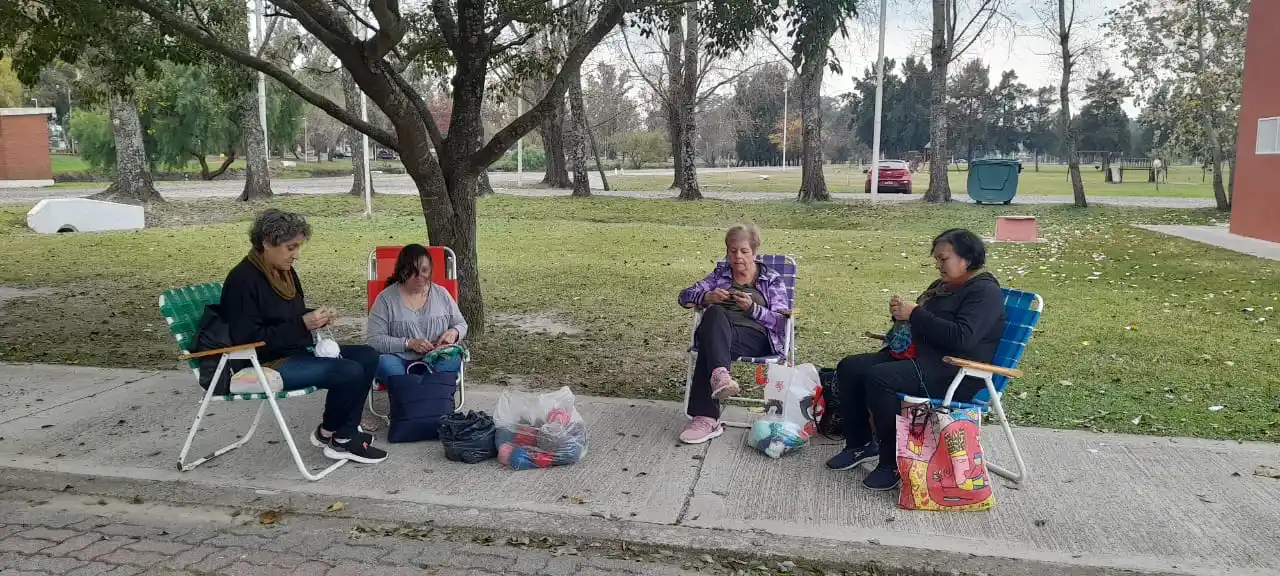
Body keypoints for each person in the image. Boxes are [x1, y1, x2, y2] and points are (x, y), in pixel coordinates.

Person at [825, 228, 1004, 491]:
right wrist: (902, 315)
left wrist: (916, 314)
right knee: (851, 367)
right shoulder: (941, 288)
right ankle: (860, 444)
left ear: (966, 259)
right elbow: (923, 323)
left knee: (880, 378)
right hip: (922, 359)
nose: (938, 265)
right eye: (937, 259)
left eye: (944, 259)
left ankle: (892, 462)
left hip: (955, 371)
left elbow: (962, 338)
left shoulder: (984, 293)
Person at [220, 209, 387, 464]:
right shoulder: (243, 280)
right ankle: (341, 440)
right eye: (291, 247)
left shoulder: (284, 271)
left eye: (298, 247)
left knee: (367, 356)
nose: (296, 255)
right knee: (348, 371)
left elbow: (291, 315)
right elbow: (247, 339)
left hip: (293, 350)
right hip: (264, 363)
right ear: (266, 242)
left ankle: (334, 432)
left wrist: (315, 317)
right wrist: (302, 324)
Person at [677, 224, 790, 444]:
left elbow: (781, 323)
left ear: (754, 252)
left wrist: (752, 308)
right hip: (720, 334)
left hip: (755, 338)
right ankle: (720, 376)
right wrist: (707, 297)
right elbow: (684, 296)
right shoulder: (720, 275)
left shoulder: (771, 279)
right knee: (715, 314)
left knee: (711, 344)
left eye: (744, 251)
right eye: (732, 250)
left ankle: (705, 418)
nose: (738, 256)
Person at [366, 244, 468, 380]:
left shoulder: (441, 293)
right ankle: (422, 391)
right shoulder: (386, 299)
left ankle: (424, 391)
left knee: (451, 360)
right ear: (402, 271)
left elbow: (461, 324)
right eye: (413, 271)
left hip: (436, 356)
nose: (419, 277)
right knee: (385, 364)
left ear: (431, 270)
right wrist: (409, 343)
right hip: (398, 357)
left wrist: (454, 332)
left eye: (424, 270)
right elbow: (374, 340)